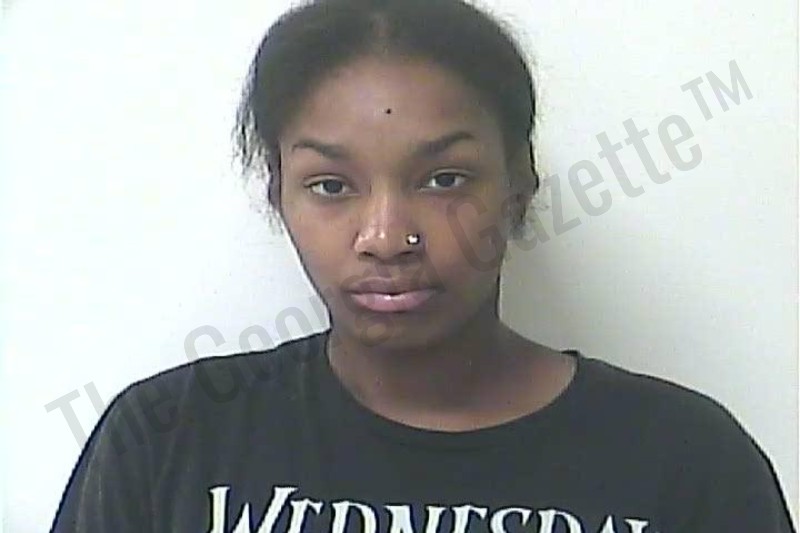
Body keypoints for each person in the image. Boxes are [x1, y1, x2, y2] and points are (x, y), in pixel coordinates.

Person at [50, 0, 795, 531]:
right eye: (331, 185)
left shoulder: (688, 462)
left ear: (519, 187)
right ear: (279, 196)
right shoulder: (170, 439)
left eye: (443, 179)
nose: (385, 236)